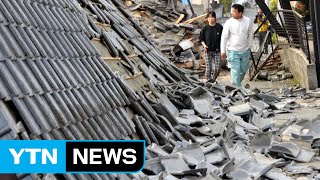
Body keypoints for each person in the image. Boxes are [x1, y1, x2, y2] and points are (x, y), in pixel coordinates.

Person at [220, 4, 254, 87]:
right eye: (231, 11)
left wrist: (249, 46)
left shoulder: (248, 21)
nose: (232, 13)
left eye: (234, 12)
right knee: (235, 70)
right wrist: (223, 51)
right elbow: (224, 37)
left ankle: (235, 83)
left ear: (240, 13)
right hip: (232, 50)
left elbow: (250, 34)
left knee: (243, 70)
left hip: (245, 50)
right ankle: (237, 90)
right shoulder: (229, 22)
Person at [199, 11, 223, 82]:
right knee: (208, 68)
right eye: (209, 17)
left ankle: (213, 80)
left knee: (218, 68)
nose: (211, 19)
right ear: (207, 18)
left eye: (212, 17)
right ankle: (207, 81)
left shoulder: (219, 27)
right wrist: (204, 46)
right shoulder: (205, 28)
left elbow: (224, 39)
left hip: (217, 51)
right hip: (207, 51)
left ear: (215, 18)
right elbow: (201, 39)